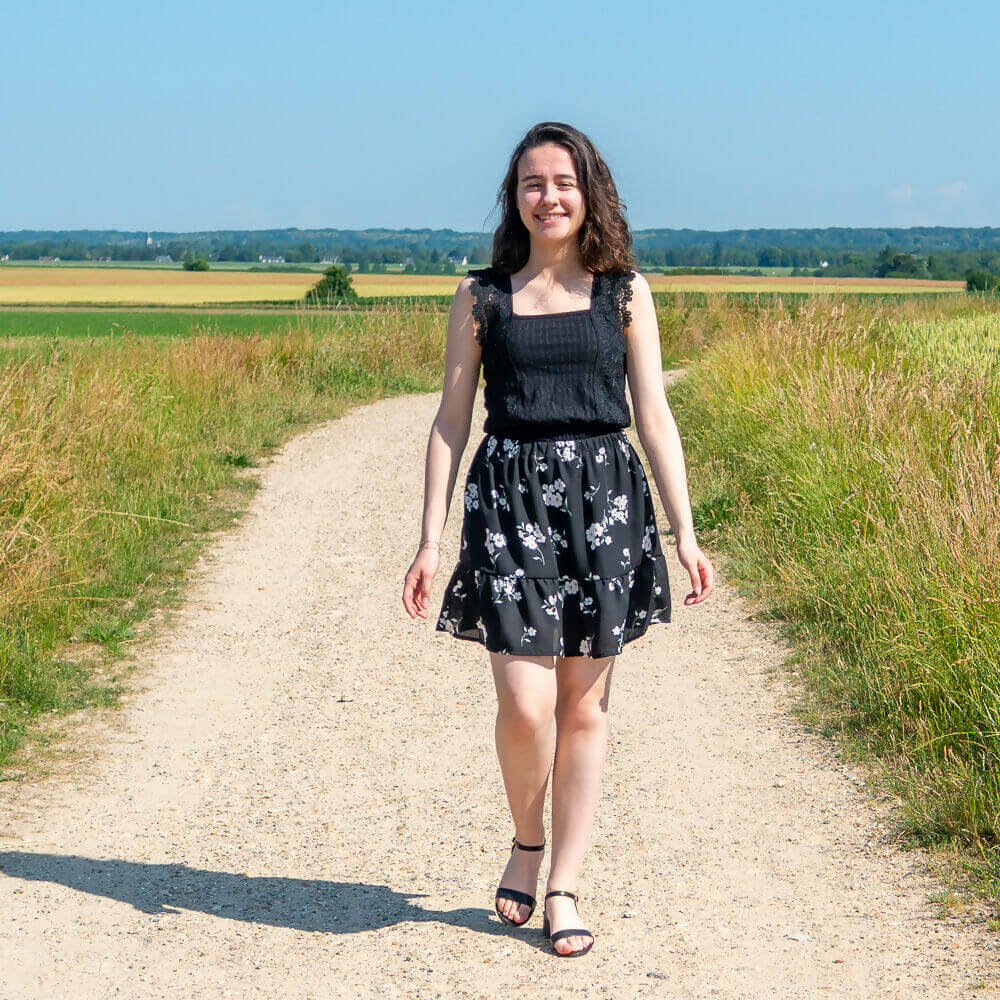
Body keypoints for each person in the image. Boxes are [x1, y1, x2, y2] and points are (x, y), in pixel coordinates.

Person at [402, 121, 714, 957]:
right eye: (533, 183)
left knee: (582, 708)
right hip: (508, 506)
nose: (549, 197)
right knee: (523, 701)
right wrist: (430, 540)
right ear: (515, 197)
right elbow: (450, 420)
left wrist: (686, 532)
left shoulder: (626, 293)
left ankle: (565, 886)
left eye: (564, 182)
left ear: (590, 193)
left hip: (605, 505)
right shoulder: (481, 297)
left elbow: (654, 414)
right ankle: (527, 839)